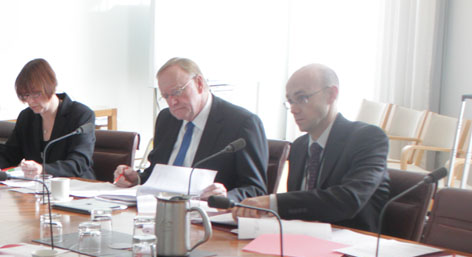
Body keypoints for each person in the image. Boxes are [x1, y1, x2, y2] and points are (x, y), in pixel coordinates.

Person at [236, 64, 390, 232]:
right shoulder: (299, 147)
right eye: (290, 101)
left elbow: (348, 200)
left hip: (352, 247)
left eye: (302, 98)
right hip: (302, 240)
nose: (293, 109)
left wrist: (273, 202)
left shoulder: (368, 138)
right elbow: (301, 208)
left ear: (331, 95)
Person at [113, 57, 268, 203]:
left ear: (199, 83)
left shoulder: (242, 123)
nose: (172, 102)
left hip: (209, 219)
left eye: (177, 92)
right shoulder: (166, 119)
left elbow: (256, 190)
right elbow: (158, 174)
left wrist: (226, 196)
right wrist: (136, 179)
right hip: (159, 210)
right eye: (166, 96)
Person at [0, 59, 95, 179]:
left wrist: (43, 169)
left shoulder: (80, 114)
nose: (30, 101)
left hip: (76, 187)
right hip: (38, 188)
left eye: (36, 94)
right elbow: (10, 153)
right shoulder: (27, 117)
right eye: (26, 95)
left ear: (50, 87)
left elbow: (79, 163)